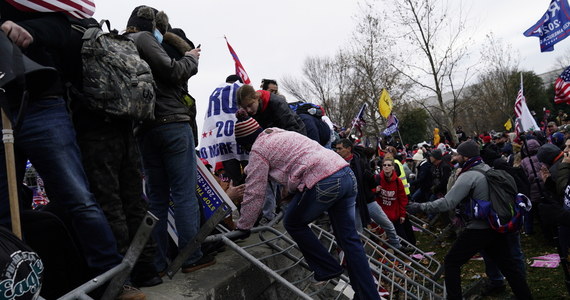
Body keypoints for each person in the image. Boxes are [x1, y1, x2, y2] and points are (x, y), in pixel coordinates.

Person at [0, 0, 125, 285]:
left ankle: (111, 281)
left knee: (78, 198)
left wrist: (27, 30)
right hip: (1, 109)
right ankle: (14, 283)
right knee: (4, 210)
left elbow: (62, 27)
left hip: (40, 102)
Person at [234, 116, 381, 300]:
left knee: (293, 221)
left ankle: (327, 267)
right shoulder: (278, 134)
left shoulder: (258, 150)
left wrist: (243, 226)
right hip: (345, 173)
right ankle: (368, 296)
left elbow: (255, 192)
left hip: (324, 180)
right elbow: (294, 168)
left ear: (246, 144)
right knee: (350, 242)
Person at [125, 5, 214, 274]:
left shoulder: (122, 44)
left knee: (157, 199)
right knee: (184, 193)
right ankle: (192, 257)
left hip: (143, 128)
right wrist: (191, 57)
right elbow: (172, 71)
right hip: (172, 124)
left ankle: (158, 262)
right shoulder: (145, 39)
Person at [407, 140, 532, 300]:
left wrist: (419, 207)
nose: (454, 156)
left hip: (479, 228)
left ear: (465, 157)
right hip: (494, 226)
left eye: (458, 154)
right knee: (509, 267)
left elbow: (447, 203)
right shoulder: (486, 168)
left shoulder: (468, 175)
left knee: (451, 262)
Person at [334, 139, 404, 250]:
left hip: (367, 200)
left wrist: (374, 184)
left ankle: (398, 248)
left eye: (340, 148)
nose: (337, 151)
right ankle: (360, 258)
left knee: (388, 225)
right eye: (336, 148)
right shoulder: (336, 164)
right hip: (352, 204)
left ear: (348, 149)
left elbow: (370, 179)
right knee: (358, 232)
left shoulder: (360, 162)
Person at [373, 157, 414, 245]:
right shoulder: (377, 178)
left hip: (395, 214)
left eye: (389, 165)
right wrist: (375, 190)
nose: (386, 167)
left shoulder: (397, 181)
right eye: (384, 165)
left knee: (401, 237)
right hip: (382, 214)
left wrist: (402, 214)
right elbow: (369, 192)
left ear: (393, 167)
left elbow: (402, 199)